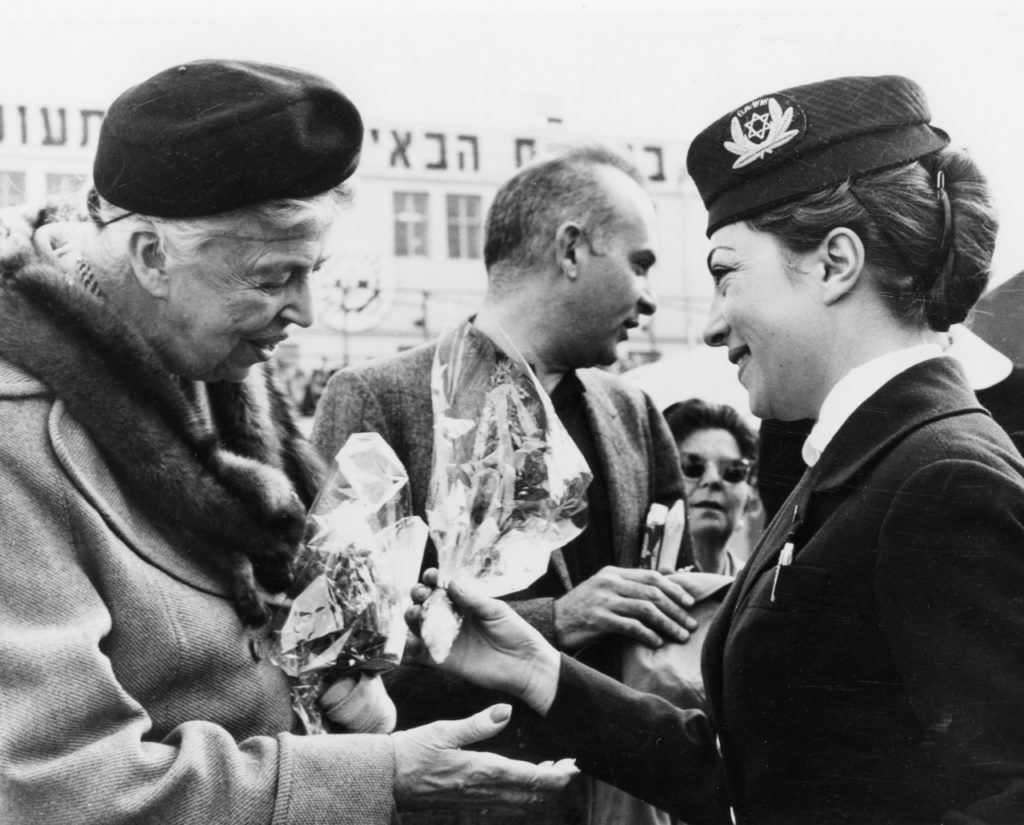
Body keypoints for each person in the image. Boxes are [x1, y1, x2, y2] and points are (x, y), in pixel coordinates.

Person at [407, 74, 1024, 824]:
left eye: (726, 274)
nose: (709, 324)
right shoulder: (866, 460)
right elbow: (758, 779)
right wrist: (539, 670)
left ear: (835, 263)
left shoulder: (943, 478)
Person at [0, 59, 578, 825]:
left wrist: (367, 647)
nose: (304, 310)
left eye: (313, 273)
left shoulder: (214, 371)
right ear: (148, 254)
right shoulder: (18, 436)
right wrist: (377, 775)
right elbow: (58, 786)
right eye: (274, 278)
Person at [311, 144, 692, 823]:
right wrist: (558, 621)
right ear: (571, 249)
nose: (652, 298)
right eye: (639, 264)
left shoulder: (633, 412)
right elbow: (331, 657)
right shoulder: (378, 397)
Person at [663, 398, 760, 573]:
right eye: (692, 467)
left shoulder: (759, 593)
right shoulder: (626, 586)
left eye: (733, 471)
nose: (713, 480)